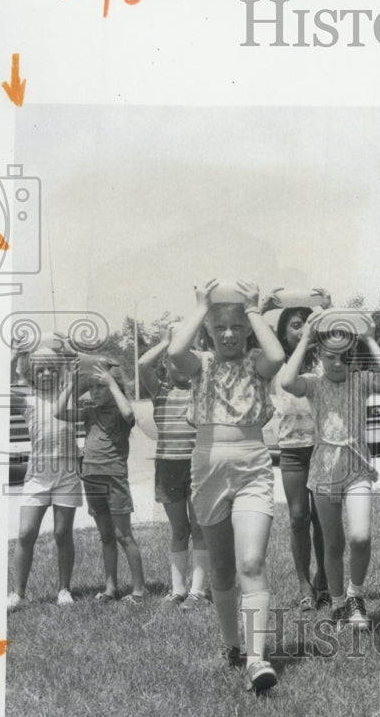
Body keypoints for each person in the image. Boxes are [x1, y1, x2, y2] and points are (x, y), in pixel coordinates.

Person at [168, 279, 285, 695]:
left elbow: (278, 354)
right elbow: (173, 352)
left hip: (253, 464)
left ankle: (257, 659)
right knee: (221, 567)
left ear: (249, 328)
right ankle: (232, 646)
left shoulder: (257, 362)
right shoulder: (199, 364)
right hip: (207, 469)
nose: (230, 335)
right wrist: (202, 306)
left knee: (251, 562)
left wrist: (253, 309)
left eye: (237, 327)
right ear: (209, 332)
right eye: (221, 329)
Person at [279, 307, 380, 628]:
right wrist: (306, 337)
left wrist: (370, 339)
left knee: (359, 536)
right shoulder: (314, 385)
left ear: (354, 359)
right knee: (333, 544)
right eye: (330, 357)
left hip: (357, 470)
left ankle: (355, 594)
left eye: (345, 357)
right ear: (320, 356)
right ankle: (337, 603)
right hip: (324, 472)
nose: (337, 364)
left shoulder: (360, 382)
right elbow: (286, 380)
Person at [56, 361, 146, 604]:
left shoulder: (120, 412)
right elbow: (58, 412)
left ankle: (139, 591)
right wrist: (73, 384)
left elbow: (129, 413)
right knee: (106, 535)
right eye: (92, 387)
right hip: (91, 477)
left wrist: (111, 383)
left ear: (112, 387)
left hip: (114, 478)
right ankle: (110, 589)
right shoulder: (89, 411)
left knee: (123, 535)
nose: (95, 392)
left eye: (101, 387)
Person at [266, 293, 331, 610]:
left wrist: (327, 310)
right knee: (297, 517)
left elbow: (342, 334)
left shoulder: (323, 360)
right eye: (295, 325)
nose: (302, 329)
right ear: (283, 332)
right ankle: (304, 585)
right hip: (292, 451)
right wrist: (266, 306)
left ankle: (325, 582)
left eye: (307, 324)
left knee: (323, 519)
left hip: (323, 449)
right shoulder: (276, 362)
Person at [8, 346, 84, 611]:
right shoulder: (27, 400)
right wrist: (15, 355)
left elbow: (84, 368)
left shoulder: (69, 394)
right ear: (32, 372)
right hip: (37, 477)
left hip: (67, 475)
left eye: (53, 368)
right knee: (26, 533)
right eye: (41, 369)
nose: (47, 373)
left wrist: (71, 354)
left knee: (63, 533)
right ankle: (18, 594)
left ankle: (64, 589)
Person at [138, 327, 209, 609]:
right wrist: (166, 343)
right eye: (174, 360)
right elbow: (143, 364)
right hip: (168, 468)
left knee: (200, 528)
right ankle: (178, 589)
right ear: (166, 363)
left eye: (185, 359)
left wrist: (188, 346)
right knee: (179, 529)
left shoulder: (201, 389)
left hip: (197, 467)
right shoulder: (160, 391)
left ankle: (198, 592)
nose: (180, 365)